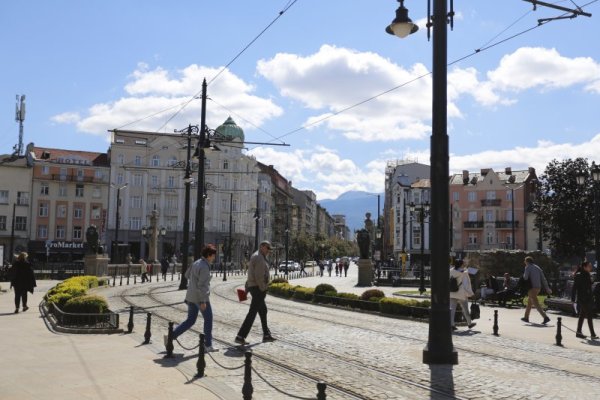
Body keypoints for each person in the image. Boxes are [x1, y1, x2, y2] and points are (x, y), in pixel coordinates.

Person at [167, 245, 219, 352]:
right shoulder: (204, 266)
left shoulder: (196, 262)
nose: (214, 258)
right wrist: (203, 301)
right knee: (208, 319)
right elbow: (202, 286)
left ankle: (171, 336)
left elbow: (186, 275)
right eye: (213, 255)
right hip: (200, 298)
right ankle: (208, 345)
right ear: (209, 255)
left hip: (190, 297)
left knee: (190, 320)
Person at [235, 241, 276, 345]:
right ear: (261, 246)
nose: (268, 251)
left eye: (269, 249)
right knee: (252, 313)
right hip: (258, 288)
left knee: (263, 310)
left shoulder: (258, 256)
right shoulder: (259, 257)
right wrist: (263, 289)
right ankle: (240, 336)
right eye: (267, 248)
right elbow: (259, 276)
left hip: (255, 288)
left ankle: (266, 334)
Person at [521, 256, 552, 324]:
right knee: (529, 302)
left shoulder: (527, 267)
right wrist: (547, 288)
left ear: (527, 261)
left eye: (525, 261)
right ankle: (526, 317)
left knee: (536, 303)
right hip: (538, 287)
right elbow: (543, 279)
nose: (524, 262)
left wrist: (523, 275)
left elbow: (525, 278)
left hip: (531, 288)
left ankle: (545, 317)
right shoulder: (538, 268)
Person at [571, 261, 598, 339]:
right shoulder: (579, 275)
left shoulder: (587, 274)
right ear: (584, 267)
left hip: (587, 298)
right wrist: (573, 299)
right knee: (589, 315)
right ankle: (592, 334)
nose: (590, 267)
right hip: (582, 298)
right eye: (589, 266)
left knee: (582, 315)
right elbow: (574, 287)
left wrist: (592, 280)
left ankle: (578, 332)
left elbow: (588, 285)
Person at [449, 259, 476, 331]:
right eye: (463, 263)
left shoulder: (450, 271)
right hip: (461, 293)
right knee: (465, 309)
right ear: (461, 265)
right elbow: (466, 285)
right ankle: (469, 323)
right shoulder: (464, 273)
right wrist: (471, 294)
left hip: (452, 292)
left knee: (452, 310)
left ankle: (451, 325)